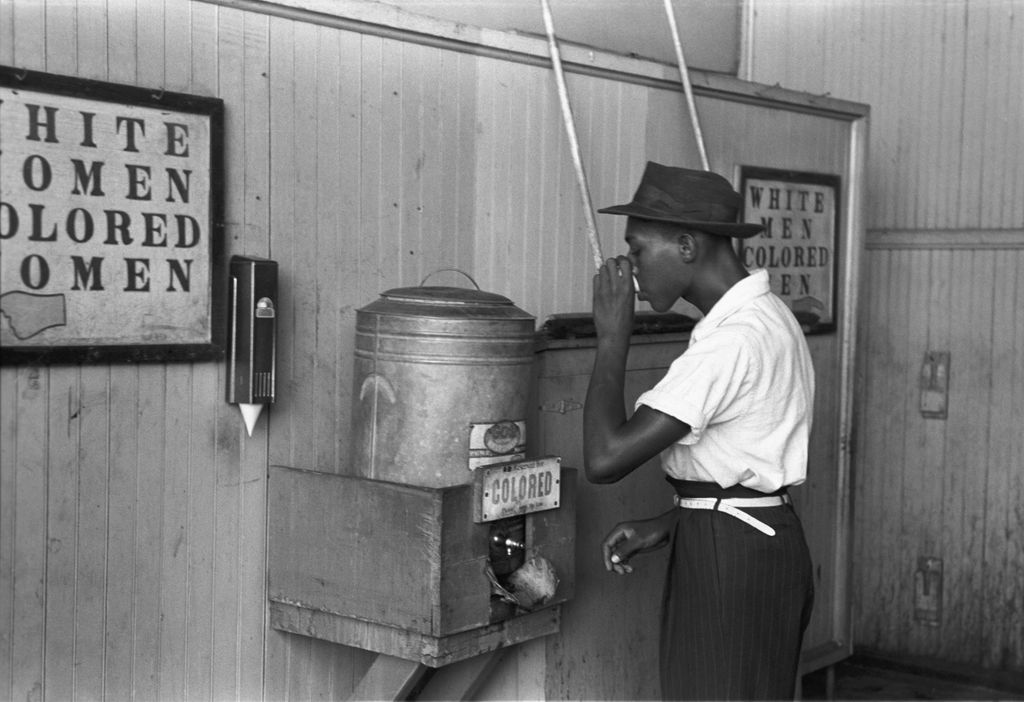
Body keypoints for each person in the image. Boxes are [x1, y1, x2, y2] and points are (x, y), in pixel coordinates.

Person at [583, 162, 815, 700]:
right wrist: (674, 521)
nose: (631, 268)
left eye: (637, 250)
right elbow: (746, 463)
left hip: (731, 558)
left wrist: (613, 337)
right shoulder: (768, 316)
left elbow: (604, 458)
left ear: (686, 246)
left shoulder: (732, 341)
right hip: (755, 539)